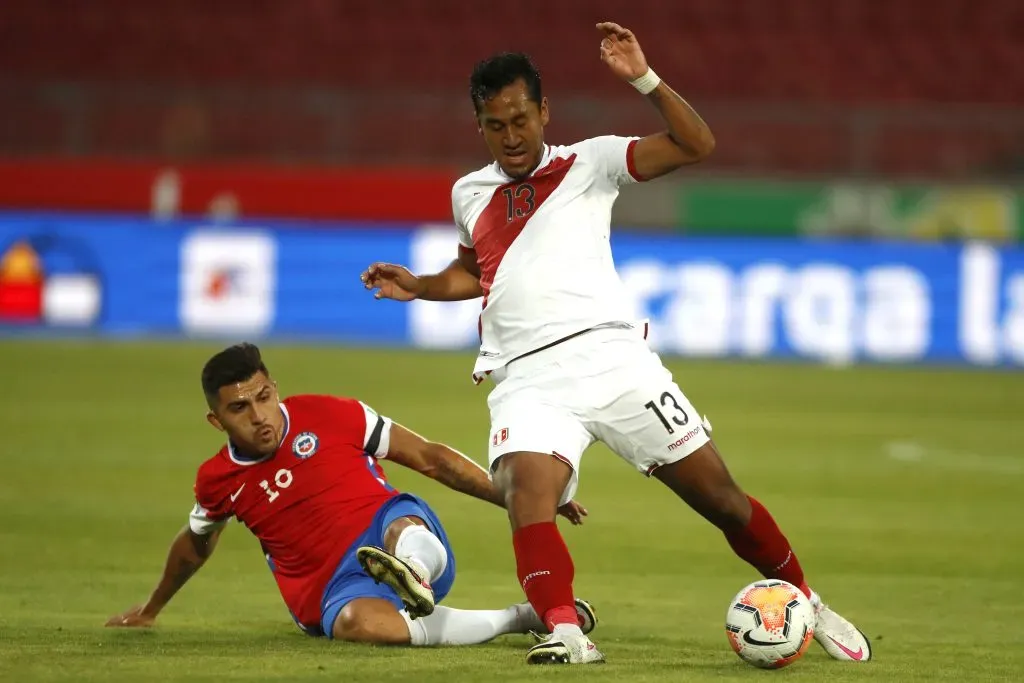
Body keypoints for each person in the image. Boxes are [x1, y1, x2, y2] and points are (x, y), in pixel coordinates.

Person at [360, 22, 872, 665]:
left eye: (521, 118)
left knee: (723, 501)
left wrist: (644, 80)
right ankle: (566, 633)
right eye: (495, 124)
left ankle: (806, 600)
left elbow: (697, 143)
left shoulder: (592, 161)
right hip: (527, 378)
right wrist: (424, 285)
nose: (512, 136)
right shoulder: (470, 192)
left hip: (614, 362)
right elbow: (476, 271)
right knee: (526, 494)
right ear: (479, 126)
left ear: (544, 110)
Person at [105, 342, 597, 646]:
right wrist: (150, 608)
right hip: (332, 589)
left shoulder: (332, 413)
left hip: (382, 524)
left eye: (263, 397)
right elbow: (195, 544)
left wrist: (522, 498)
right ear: (217, 420)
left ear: (274, 388)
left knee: (404, 527)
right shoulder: (217, 479)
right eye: (240, 408)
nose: (259, 416)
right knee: (361, 627)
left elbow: (429, 458)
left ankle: (415, 574)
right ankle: (519, 618)